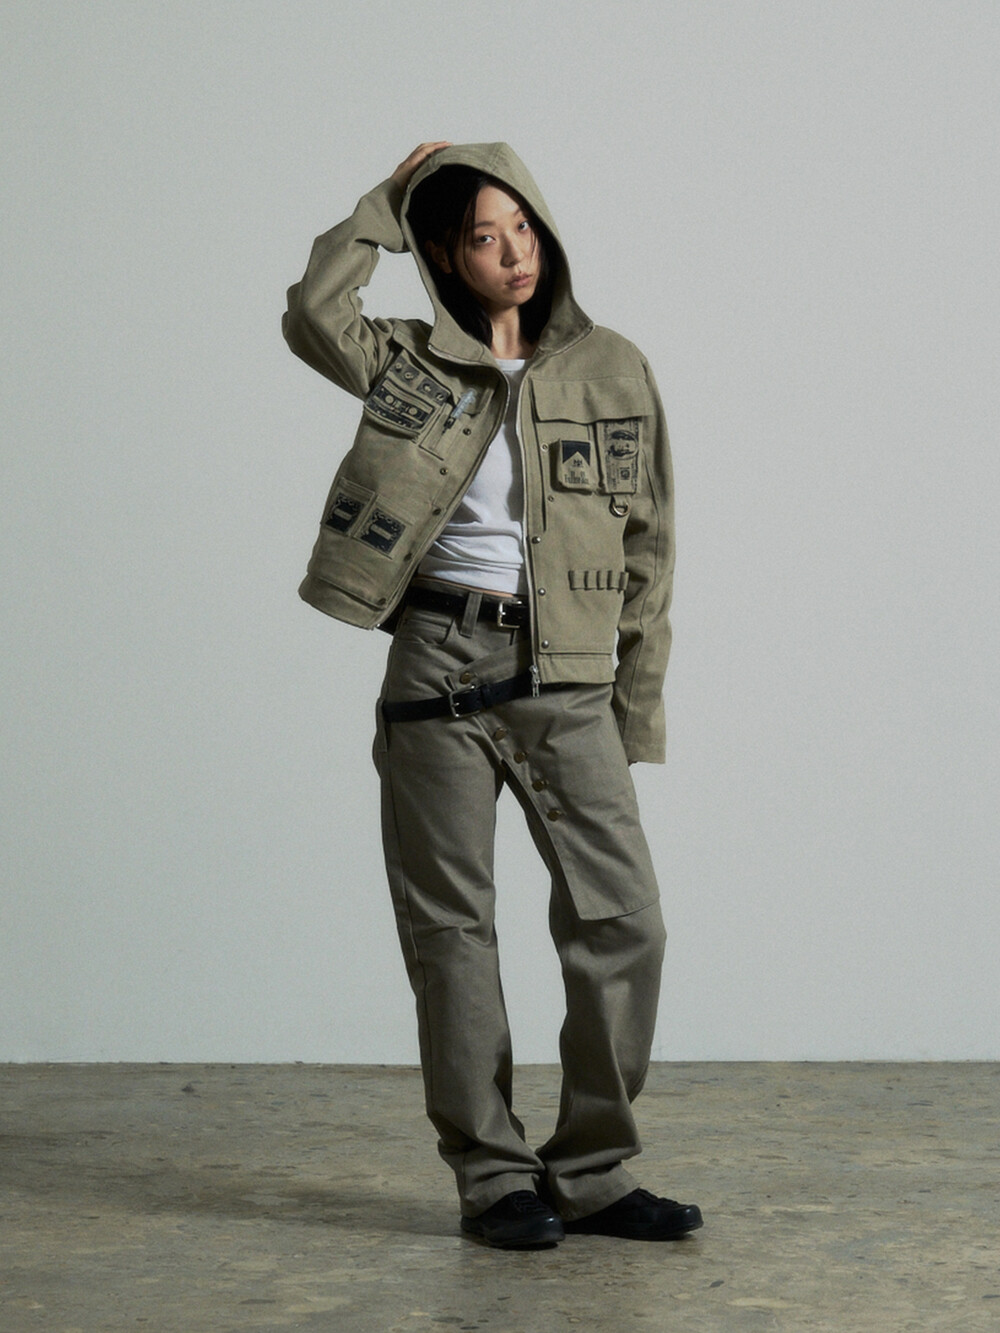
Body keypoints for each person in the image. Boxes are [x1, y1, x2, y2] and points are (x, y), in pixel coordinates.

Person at [283, 142, 703, 1249]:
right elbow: (314, 312)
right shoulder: (407, 361)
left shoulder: (613, 364)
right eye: (482, 236)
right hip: (437, 661)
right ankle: (491, 1176)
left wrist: (635, 707)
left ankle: (593, 1169)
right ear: (442, 255)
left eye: (523, 227)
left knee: (626, 921)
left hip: (568, 674)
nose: (513, 252)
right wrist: (382, 204)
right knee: (452, 932)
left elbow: (651, 546)